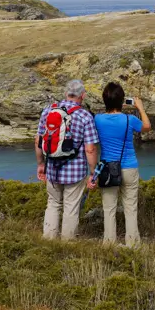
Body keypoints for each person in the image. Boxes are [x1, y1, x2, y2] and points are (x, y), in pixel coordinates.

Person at [35, 79, 99, 241]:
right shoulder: (84, 116)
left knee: (53, 204)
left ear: (65, 94)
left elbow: (38, 141)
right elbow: (90, 149)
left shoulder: (48, 111)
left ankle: (48, 240)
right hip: (75, 172)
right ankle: (67, 244)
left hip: (52, 168)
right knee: (71, 208)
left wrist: (41, 164)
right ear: (82, 96)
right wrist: (93, 173)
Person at [89, 82, 151, 247]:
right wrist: (140, 108)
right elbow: (147, 127)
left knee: (109, 209)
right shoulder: (129, 119)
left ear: (105, 100)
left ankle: (109, 244)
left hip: (108, 168)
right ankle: (133, 245)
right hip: (129, 166)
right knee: (131, 208)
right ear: (122, 100)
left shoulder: (98, 119)